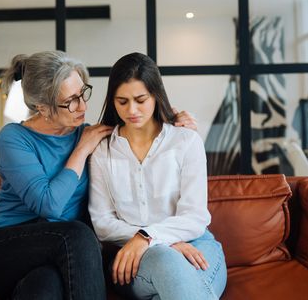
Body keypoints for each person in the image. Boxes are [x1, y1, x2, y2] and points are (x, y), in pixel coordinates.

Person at [0, 51, 198, 300]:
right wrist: (81, 149)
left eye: (83, 93)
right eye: (71, 101)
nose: (83, 106)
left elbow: (139, 139)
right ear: (41, 107)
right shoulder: (14, 138)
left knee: (45, 286)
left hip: (55, 256)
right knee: (77, 234)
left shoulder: (92, 134)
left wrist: (173, 122)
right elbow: (49, 205)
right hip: (0, 251)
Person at [89, 52, 227, 300]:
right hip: (137, 257)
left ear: (156, 95)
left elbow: (194, 216)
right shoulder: (103, 151)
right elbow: (103, 223)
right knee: (165, 260)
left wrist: (148, 237)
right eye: (122, 101)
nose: (132, 110)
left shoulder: (186, 141)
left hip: (196, 246)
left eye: (140, 99)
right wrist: (158, 243)